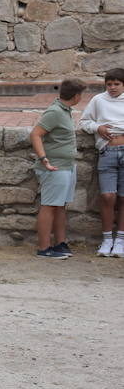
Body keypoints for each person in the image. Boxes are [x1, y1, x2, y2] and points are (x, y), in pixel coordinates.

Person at [30, 79, 86, 258]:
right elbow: (36, 134)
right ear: (76, 96)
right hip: (54, 167)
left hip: (67, 166)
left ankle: (60, 243)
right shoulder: (55, 112)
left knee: (60, 205)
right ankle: (44, 247)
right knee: (49, 206)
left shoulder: (65, 111)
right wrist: (44, 159)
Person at [78, 68, 124, 257]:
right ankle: (106, 240)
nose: (112, 87)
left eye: (117, 84)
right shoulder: (98, 100)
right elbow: (85, 122)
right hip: (107, 151)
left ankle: (120, 240)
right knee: (107, 196)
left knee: (123, 197)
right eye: (109, 84)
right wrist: (98, 127)